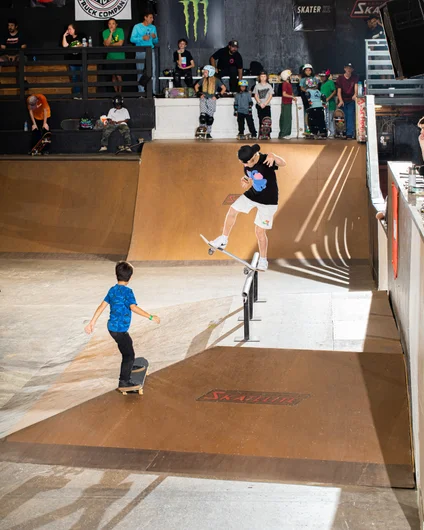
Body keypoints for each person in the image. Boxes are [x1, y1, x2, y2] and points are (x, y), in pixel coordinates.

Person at [84, 261, 160, 393]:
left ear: (116, 275)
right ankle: (124, 381)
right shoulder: (128, 292)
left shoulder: (112, 290)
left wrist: (92, 322)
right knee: (129, 355)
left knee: (127, 347)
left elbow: (102, 306)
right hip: (119, 330)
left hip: (112, 328)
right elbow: (133, 307)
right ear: (129, 278)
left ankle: (128, 366)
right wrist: (151, 317)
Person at [210, 144, 286, 271]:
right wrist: (246, 178)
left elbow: (283, 163)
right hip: (253, 194)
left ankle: (263, 260)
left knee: (259, 231)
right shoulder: (247, 160)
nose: (244, 166)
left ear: (252, 159)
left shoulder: (266, 161)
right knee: (232, 210)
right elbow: (251, 173)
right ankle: (223, 239)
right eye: (242, 163)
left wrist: (274, 156)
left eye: (246, 164)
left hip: (268, 200)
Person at [130, 11, 159, 95]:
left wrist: (154, 38)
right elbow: (132, 39)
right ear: (145, 17)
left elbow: (156, 41)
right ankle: (141, 92)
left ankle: (153, 92)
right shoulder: (137, 27)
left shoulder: (153, 27)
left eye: (152, 18)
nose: (152, 19)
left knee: (152, 71)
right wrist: (142, 38)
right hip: (140, 50)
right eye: (150, 17)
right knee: (140, 71)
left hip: (150, 50)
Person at [194, 65, 226, 139]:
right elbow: (196, 86)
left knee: (209, 118)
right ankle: (201, 132)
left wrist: (217, 96)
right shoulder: (203, 80)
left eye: (205, 72)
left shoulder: (216, 80)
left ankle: (208, 133)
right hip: (204, 99)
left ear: (210, 72)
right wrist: (199, 94)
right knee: (203, 117)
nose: (204, 73)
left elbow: (224, 88)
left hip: (211, 99)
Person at [336, 63, 359, 139]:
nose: (349, 70)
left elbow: (356, 87)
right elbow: (339, 91)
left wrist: (355, 94)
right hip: (343, 99)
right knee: (342, 116)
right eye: (347, 68)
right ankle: (342, 132)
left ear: (352, 70)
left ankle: (349, 133)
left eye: (350, 68)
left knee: (350, 115)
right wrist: (340, 101)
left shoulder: (354, 77)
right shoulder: (340, 78)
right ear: (344, 69)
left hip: (351, 100)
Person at [62, 23, 85, 96]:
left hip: (81, 60)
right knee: (74, 79)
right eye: (68, 29)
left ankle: (83, 94)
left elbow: (86, 44)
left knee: (82, 78)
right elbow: (65, 45)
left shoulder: (81, 35)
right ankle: (76, 95)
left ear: (75, 29)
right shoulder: (68, 38)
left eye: (70, 29)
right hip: (72, 61)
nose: (68, 30)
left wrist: (77, 46)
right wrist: (64, 36)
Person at [103, 18, 125, 94]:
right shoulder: (105, 32)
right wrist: (111, 33)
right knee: (113, 76)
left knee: (119, 76)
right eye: (109, 24)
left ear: (116, 25)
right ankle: (115, 93)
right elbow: (106, 44)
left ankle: (120, 93)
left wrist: (110, 45)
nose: (111, 25)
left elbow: (120, 43)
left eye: (113, 23)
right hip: (110, 57)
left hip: (120, 57)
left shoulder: (120, 30)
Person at [299, 64, 320, 133]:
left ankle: (315, 128)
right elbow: (301, 88)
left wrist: (312, 89)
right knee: (307, 112)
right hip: (306, 97)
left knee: (315, 112)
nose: (308, 72)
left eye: (309, 70)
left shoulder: (315, 79)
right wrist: (307, 90)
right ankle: (307, 128)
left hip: (315, 98)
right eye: (306, 70)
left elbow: (316, 86)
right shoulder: (302, 79)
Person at [253, 71, 274, 138]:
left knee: (267, 120)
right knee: (261, 120)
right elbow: (256, 95)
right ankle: (261, 134)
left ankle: (268, 134)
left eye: (264, 76)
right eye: (261, 76)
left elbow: (270, 96)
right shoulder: (257, 86)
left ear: (266, 77)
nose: (263, 78)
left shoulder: (269, 86)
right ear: (259, 77)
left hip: (267, 105)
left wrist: (265, 103)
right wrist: (260, 103)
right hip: (260, 106)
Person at [278, 69, 296, 139]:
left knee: (287, 118)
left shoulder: (288, 84)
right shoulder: (285, 84)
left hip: (288, 102)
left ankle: (285, 133)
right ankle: (284, 133)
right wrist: (292, 96)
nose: (291, 77)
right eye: (290, 76)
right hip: (286, 103)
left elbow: (290, 92)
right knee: (286, 119)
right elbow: (284, 94)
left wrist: (293, 96)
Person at [319, 70, 336, 137]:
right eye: (321, 77)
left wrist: (328, 98)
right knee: (325, 118)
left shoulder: (330, 82)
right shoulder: (321, 84)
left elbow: (334, 91)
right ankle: (326, 132)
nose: (322, 78)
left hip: (330, 103)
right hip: (323, 103)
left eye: (323, 76)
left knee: (330, 118)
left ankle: (332, 132)